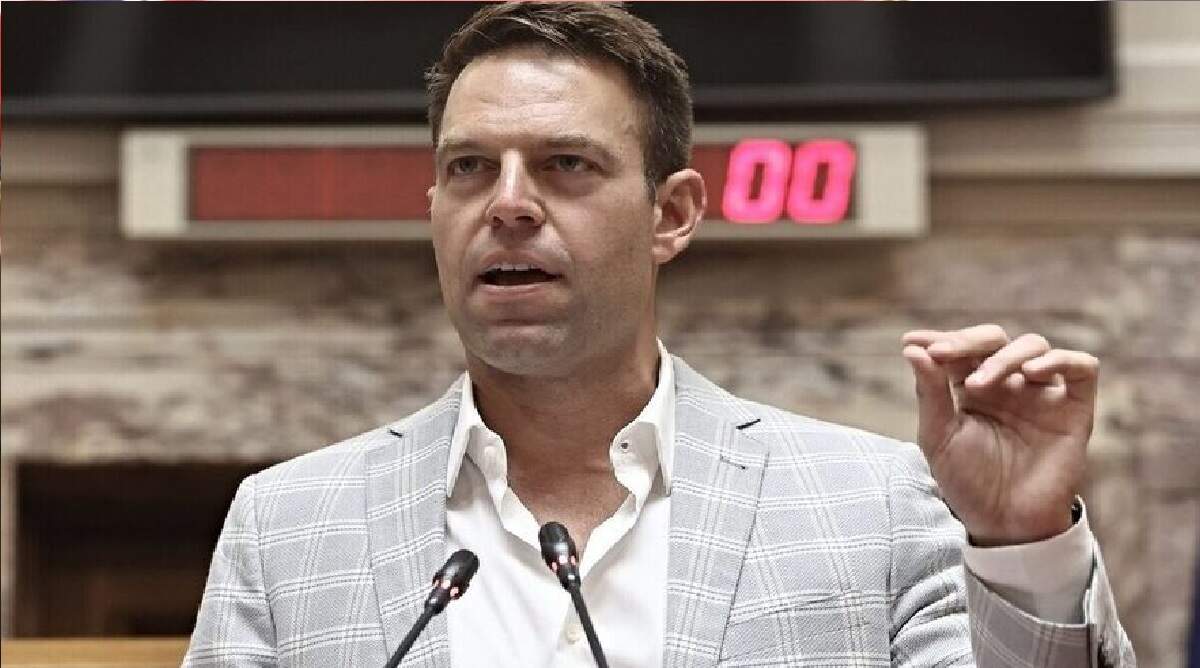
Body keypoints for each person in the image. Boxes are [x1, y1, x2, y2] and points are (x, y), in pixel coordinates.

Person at [184, 3, 1133, 666]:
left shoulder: (879, 504)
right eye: (469, 167)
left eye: (566, 164)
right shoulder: (286, 524)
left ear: (671, 215)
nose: (508, 204)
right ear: (433, 208)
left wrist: (1020, 547)